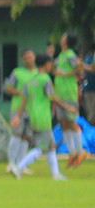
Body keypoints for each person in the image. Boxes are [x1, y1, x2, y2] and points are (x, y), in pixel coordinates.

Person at [10, 53, 68, 181]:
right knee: (41, 148)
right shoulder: (45, 79)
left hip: (34, 117)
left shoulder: (31, 80)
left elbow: (24, 100)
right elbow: (52, 96)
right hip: (43, 118)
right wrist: (67, 107)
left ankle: (56, 175)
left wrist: (18, 116)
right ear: (47, 64)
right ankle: (18, 168)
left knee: (51, 145)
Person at [53, 32, 87, 167]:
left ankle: (81, 151)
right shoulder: (61, 55)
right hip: (60, 94)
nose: (61, 38)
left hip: (69, 93)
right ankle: (72, 153)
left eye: (63, 36)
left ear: (66, 41)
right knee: (63, 122)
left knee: (71, 122)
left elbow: (79, 69)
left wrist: (70, 73)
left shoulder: (71, 55)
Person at [3, 49, 38, 173]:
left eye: (30, 57)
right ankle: (11, 163)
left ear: (34, 57)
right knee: (16, 133)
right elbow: (7, 89)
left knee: (26, 137)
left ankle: (21, 164)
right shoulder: (17, 73)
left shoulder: (39, 73)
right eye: (25, 58)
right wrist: (19, 92)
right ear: (23, 60)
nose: (28, 60)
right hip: (18, 109)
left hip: (33, 110)